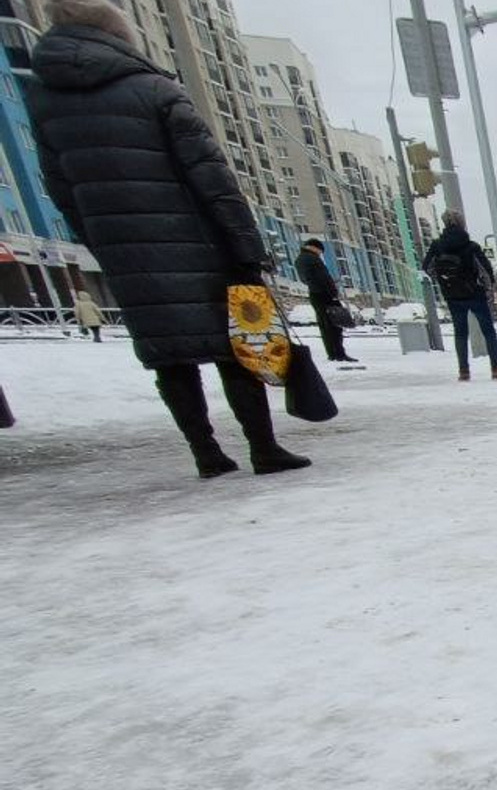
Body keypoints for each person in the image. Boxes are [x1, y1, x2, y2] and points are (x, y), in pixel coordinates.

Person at [25, 0, 309, 480]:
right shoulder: (153, 88)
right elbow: (212, 177)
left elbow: (60, 187)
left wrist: (102, 240)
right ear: (120, 35)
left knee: (170, 357)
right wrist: (245, 247)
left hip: (123, 248)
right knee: (233, 345)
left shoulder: (45, 101)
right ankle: (263, 446)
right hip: (197, 240)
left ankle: (206, 453)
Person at [422, 210, 497, 382]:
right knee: (488, 331)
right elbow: (486, 269)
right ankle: (496, 368)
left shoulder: (437, 246)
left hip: (452, 295)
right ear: (461, 223)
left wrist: (443, 280)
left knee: (460, 333)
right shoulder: (470, 245)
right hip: (475, 293)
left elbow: (426, 267)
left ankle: (463, 371)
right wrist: (489, 286)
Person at [295, 238, 357, 363]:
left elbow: (308, 279)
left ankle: (334, 353)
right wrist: (332, 292)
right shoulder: (311, 259)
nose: (320, 253)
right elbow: (322, 278)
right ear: (314, 247)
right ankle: (338, 354)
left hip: (316, 294)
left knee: (327, 325)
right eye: (320, 251)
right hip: (323, 295)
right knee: (334, 325)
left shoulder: (301, 259)